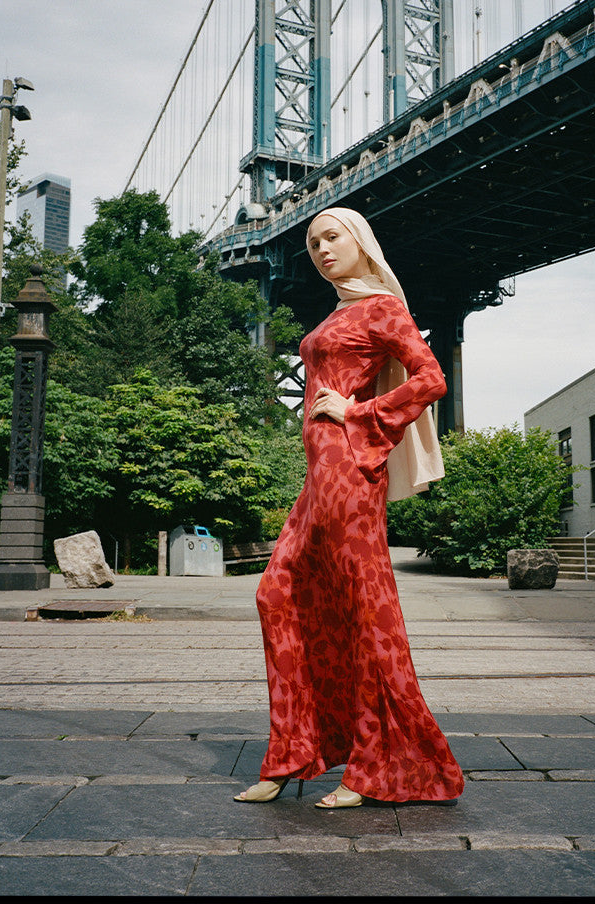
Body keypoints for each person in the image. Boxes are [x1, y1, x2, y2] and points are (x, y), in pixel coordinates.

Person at [234, 207, 464, 808]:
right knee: (277, 593)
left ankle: (372, 765)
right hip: (319, 478)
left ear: (361, 241)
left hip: (351, 472)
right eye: (311, 243)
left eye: (332, 237)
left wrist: (357, 412)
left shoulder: (382, 307)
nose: (320, 249)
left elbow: (431, 377)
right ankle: (290, 753)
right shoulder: (340, 312)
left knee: (365, 611)